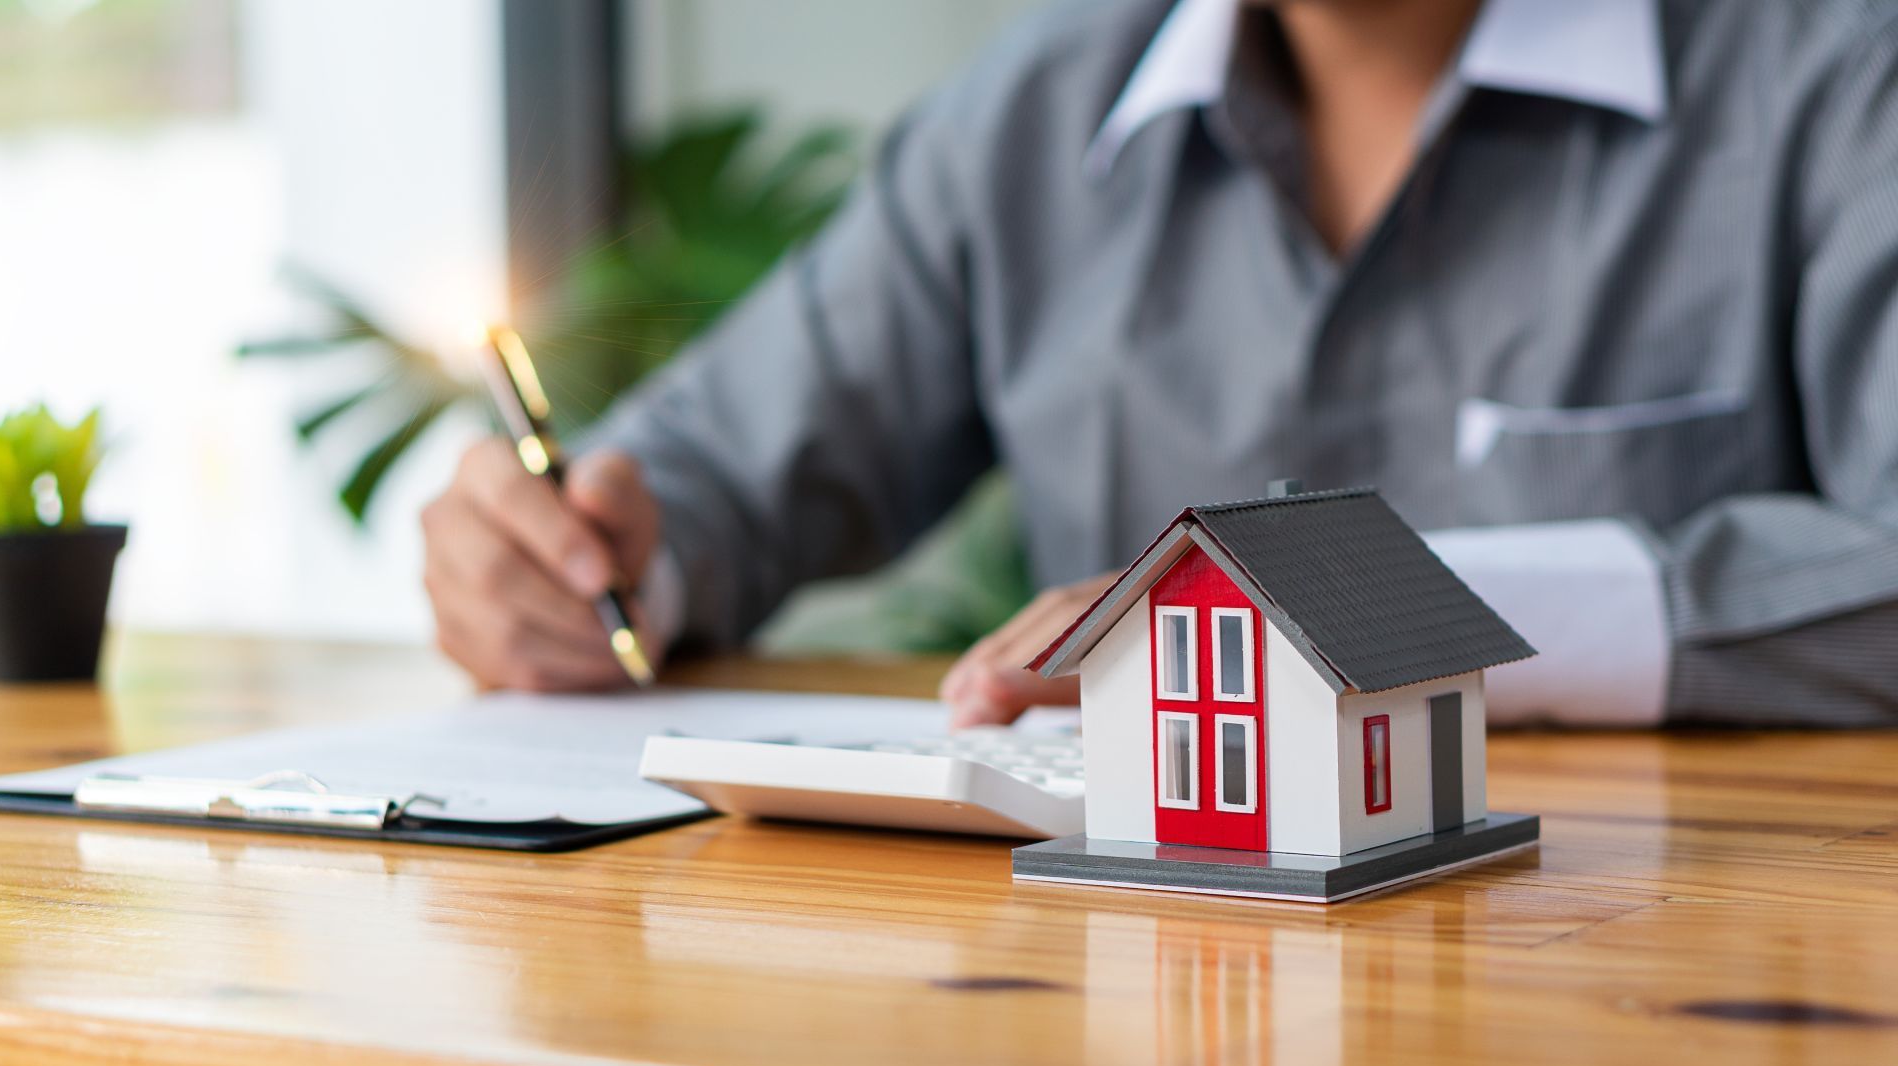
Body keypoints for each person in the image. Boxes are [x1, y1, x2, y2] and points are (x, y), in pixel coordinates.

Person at [421, 0, 1898, 729]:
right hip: (1134, 979)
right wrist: (591, 565)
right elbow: (717, 464)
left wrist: (1368, 615)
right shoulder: (1034, 113)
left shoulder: (1835, 78)